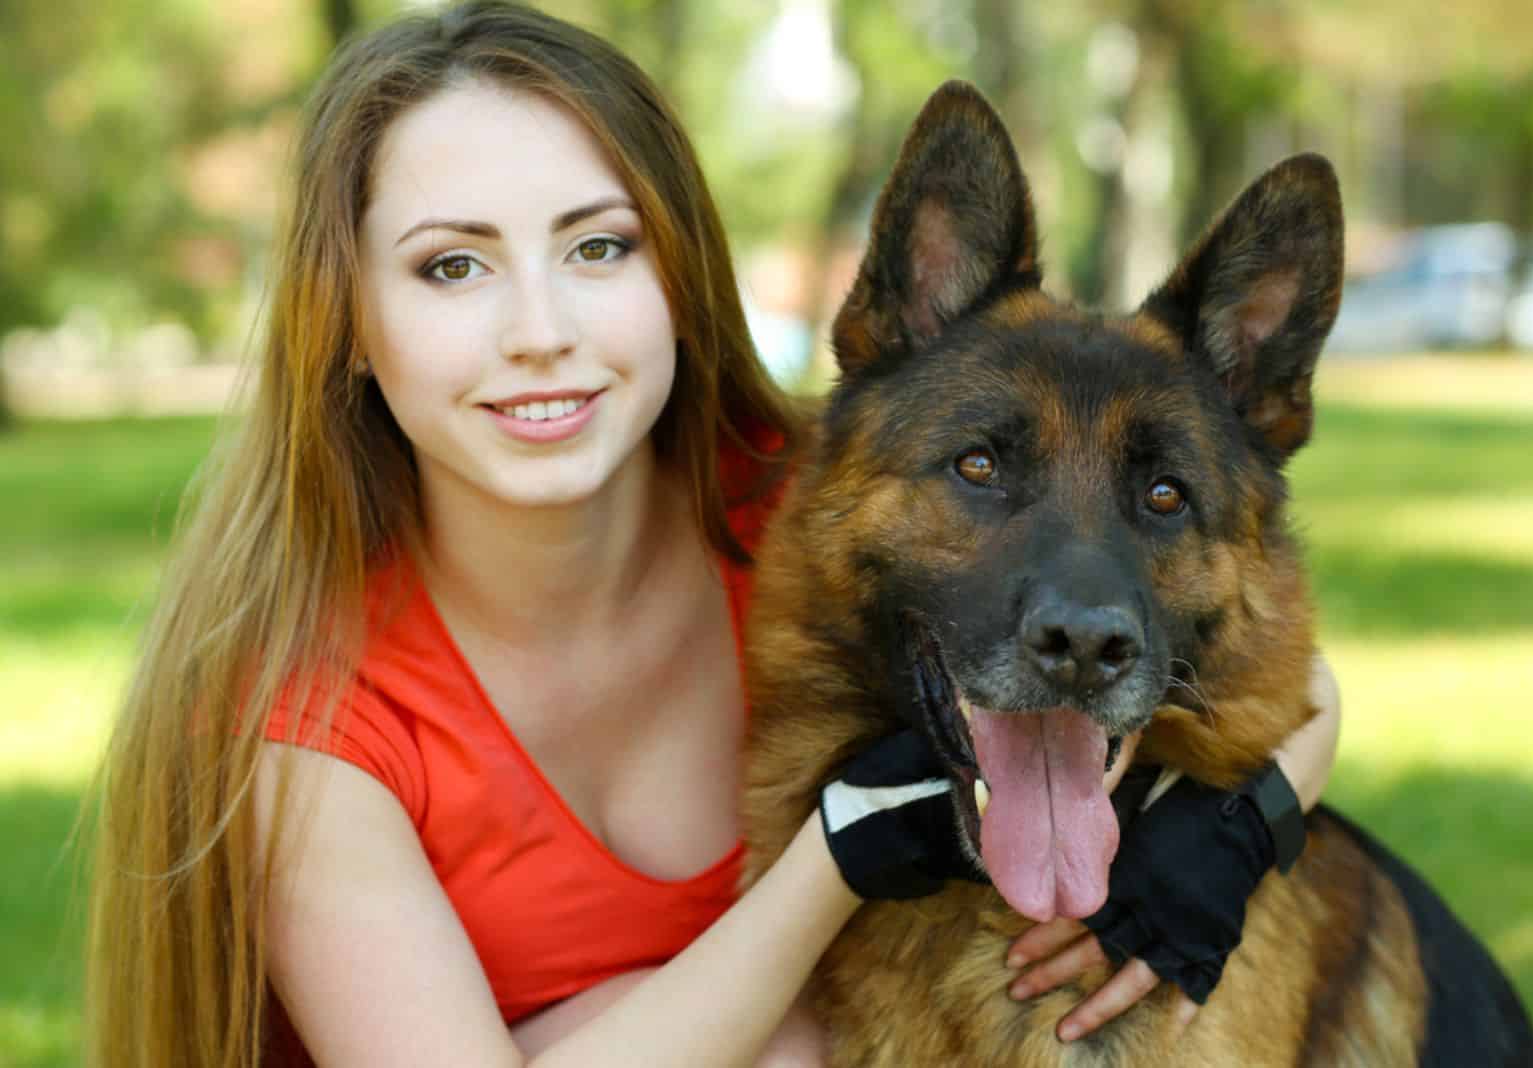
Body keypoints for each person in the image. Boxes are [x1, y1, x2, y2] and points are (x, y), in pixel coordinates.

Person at [82, 3, 1342, 1066]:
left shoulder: (801, 500)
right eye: (451, 268)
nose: (539, 330)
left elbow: (1281, 666)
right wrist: (838, 857)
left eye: (595, 247)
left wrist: (1246, 823)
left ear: (676, 275)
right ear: (344, 320)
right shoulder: (310, 727)